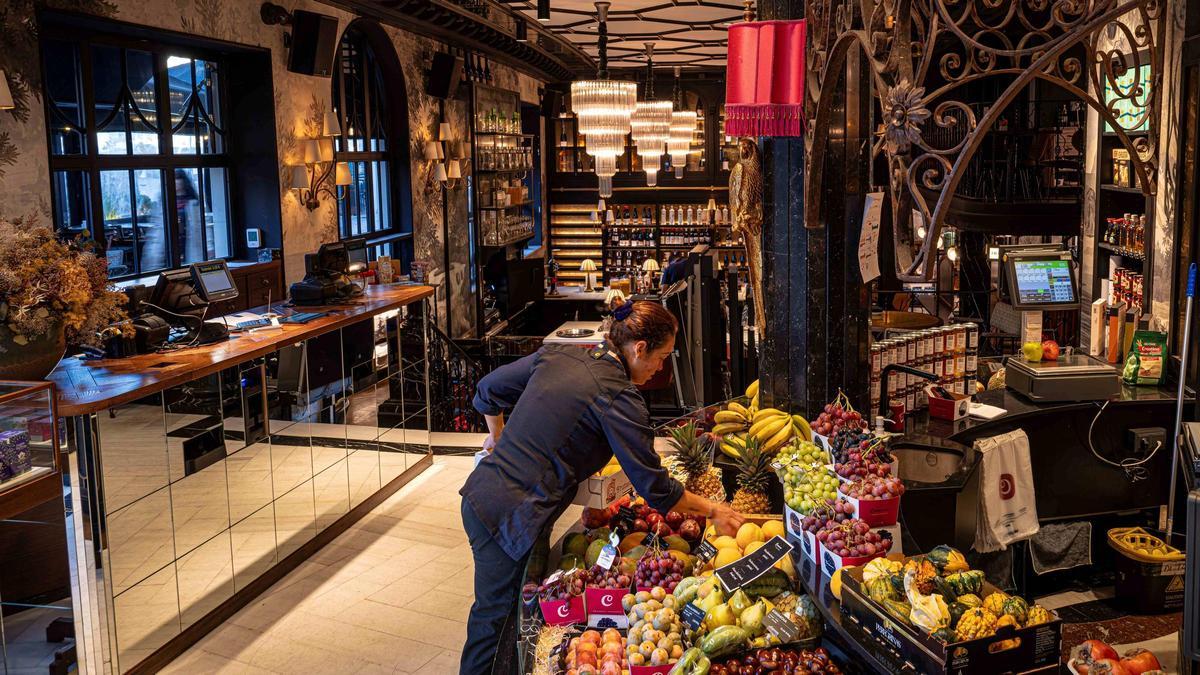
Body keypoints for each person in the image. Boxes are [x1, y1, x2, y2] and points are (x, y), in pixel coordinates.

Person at [459, 300, 745, 674]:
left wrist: (498, 437)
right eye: (661, 357)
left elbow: (487, 389)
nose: (662, 368)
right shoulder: (618, 395)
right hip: (511, 516)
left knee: (512, 614)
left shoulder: (564, 354)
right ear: (638, 348)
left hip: (488, 497)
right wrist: (714, 509)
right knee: (494, 622)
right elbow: (655, 486)